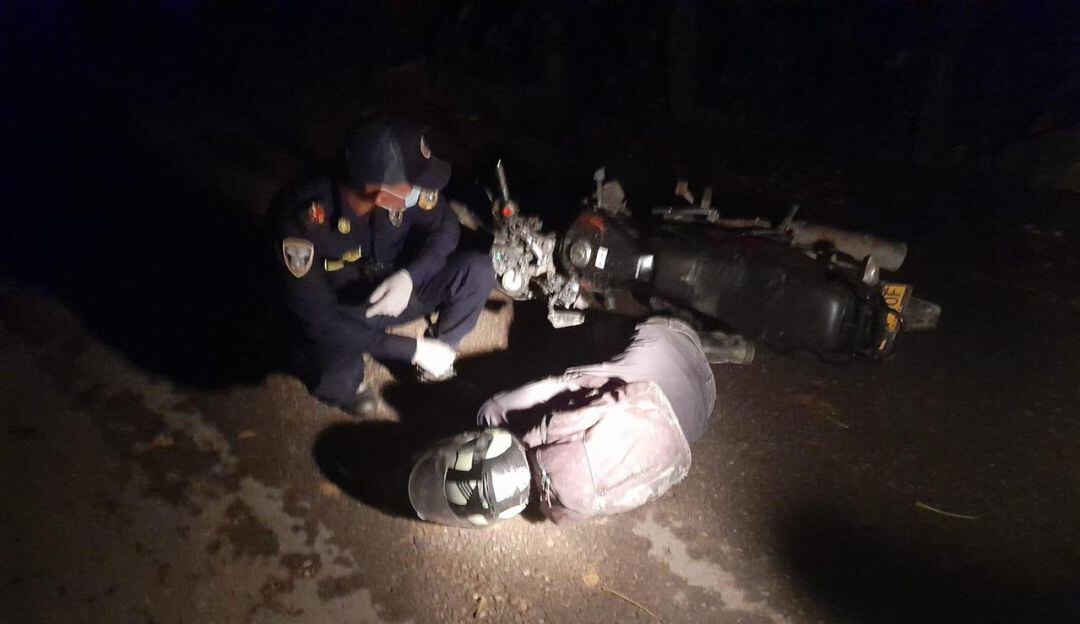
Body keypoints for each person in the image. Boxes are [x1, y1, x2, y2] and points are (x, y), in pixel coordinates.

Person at [407, 317, 753, 526]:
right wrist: (492, 415)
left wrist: (495, 415)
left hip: (695, 421)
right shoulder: (555, 430)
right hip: (680, 369)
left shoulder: (568, 507)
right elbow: (548, 391)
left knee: (593, 352)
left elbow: (563, 388)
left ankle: (699, 343)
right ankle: (704, 343)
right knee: (593, 346)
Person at [276, 120, 495, 416]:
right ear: (379, 192)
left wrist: (410, 275)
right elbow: (319, 320)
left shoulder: (401, 190)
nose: (424, 191)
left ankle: (439, 356)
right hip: (345, 312)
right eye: (415, 186)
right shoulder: (304, 219)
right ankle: (339, 384)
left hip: (396, 290)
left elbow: (446, 230)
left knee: (477, 270)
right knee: (334, 375)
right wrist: (411, 349)